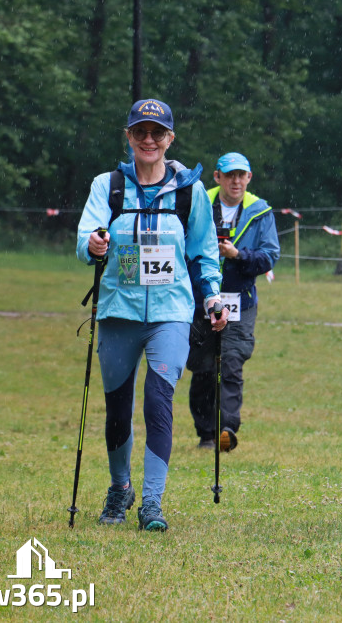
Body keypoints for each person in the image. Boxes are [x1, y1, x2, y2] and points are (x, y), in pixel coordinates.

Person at [76, 98, 228, 532]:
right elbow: (85, 236)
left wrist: (213, 298)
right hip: (119, 314)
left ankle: (153, 504)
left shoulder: (188, 190)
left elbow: (203, 252)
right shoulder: (108, 186)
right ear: (128, 137)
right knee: (117, 409)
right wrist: (92, 246)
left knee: (159, 402)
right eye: (140, 132)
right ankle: (120, 489)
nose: (148, 140)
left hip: (171, 313)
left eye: (156, 133)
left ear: (169, 139)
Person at [187, 152, 280, 452]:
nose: (236, 181)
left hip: (241, 302)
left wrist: (238, 255)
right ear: (217, 177)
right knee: (202, 368)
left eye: (241, 175)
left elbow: (269, 256)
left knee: (231, 364)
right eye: (229, 175)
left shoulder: (260, 211)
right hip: (202, 300)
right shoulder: (198, 202)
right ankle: (206, 434)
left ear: (249, 178)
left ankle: (227, 430)